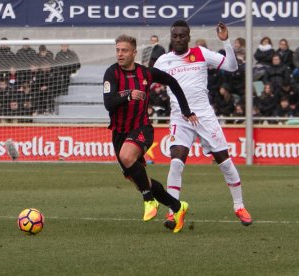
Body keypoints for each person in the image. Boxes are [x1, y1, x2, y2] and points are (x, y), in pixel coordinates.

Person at [154, 20, 252, 230]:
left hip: (204, 117)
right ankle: (173, 211)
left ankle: (239, 205)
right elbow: (147, 82)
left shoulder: (201, 53)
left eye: (182, 36)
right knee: (176, 162)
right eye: (175, 36)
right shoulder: (163, 61)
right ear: (171, 38)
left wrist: (225, 42)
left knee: (224, 162)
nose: (178, 39)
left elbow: (232, 67)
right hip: (180, 118)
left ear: (188, 37)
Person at [103, 34, 198, 233]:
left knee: (127, 156)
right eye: (118, 50)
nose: (120, 54)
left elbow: (172, 82)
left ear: (134, 53)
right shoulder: (111, 74)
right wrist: (128, 95)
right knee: (138, 180)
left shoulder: (146, 73)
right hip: (119, 133)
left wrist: (186, 110)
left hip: (141, 129)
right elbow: (108, 103)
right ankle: (177, 207)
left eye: (124, 50)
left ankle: (149, 201)